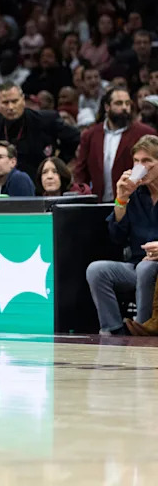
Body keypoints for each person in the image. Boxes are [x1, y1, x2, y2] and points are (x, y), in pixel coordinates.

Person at [86, 136, 158, 336]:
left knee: (146, 267)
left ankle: (142, 330)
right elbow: (116, 236)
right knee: (97, 270)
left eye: (146, 161)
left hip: (153, 267)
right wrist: (121, 199)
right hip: (137, 265)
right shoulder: (135, 194)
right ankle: (113, 330)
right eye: (136, 161)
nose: (140, 166)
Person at [0, 82, 80, 181]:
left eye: (15, 101)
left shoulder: (46, 120)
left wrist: (58, 164)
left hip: (38, 184)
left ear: (23, 100)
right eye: (5, 102)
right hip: (0, 184)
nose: (11, 107)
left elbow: (75, 138)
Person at [73, 87, 154, 202]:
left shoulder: (145, 133)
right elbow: (80, 173)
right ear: (107, 107)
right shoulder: (90, 135)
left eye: (127, 103)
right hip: (99, 203)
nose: (125, 107)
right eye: (119, 103)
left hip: (135, 203)